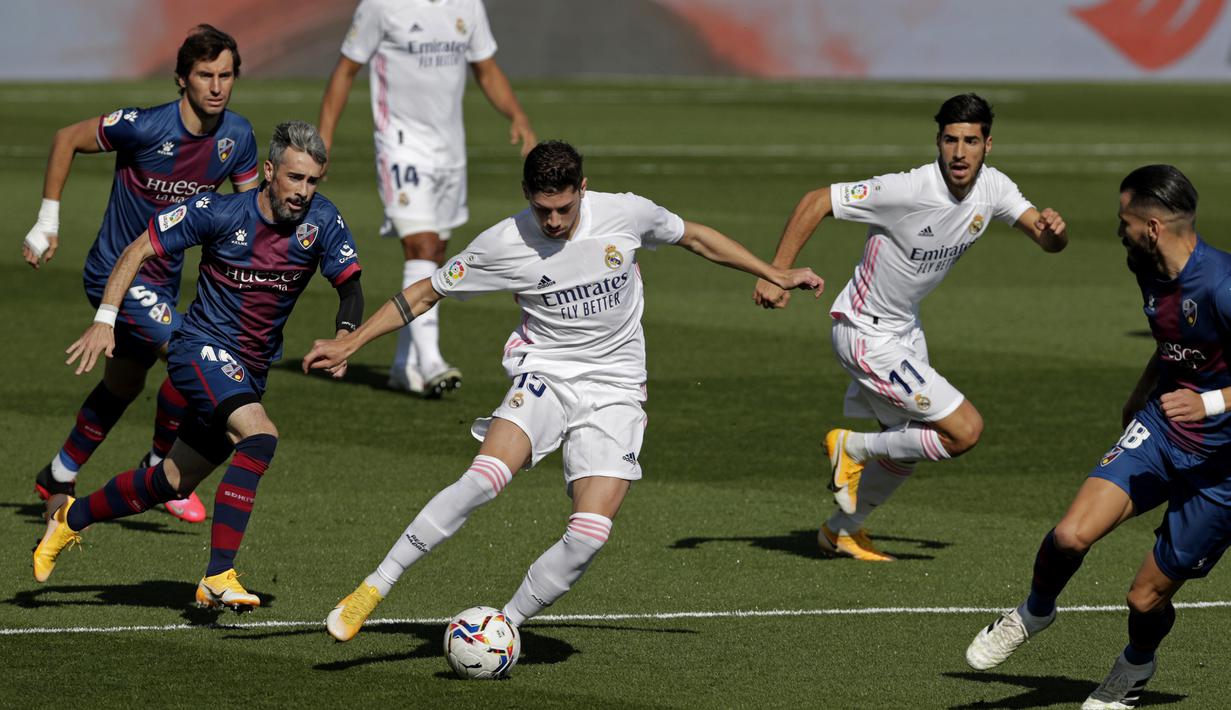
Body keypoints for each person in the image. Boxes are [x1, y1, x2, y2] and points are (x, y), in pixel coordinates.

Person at [304, 140, 822, 642]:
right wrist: (353, 343)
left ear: (583, 189)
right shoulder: (502, 243)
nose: (553, 221)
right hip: (546, 373)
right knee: (484, 478)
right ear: (527, 195)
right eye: (542, 209)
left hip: (617, 389)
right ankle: (374, 587)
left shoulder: (627, 214)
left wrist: (772, 271)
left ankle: (503, 626)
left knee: (590, 533)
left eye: (564, 208)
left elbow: (697, 238)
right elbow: (425, 292)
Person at [32, 121, 364, 611]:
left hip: (250, 368)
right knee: (260, 436)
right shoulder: (219, 211)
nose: (303, 192)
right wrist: (106, 319)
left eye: (313, 181)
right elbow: (137, 249)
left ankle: (70, 520)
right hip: (200, 348)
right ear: (270, 171)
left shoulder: (323, 222)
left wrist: (344, 336)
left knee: (170, 481)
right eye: (295, 178)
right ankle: (217, 576)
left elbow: (350, 287)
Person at [754, 93, 1068, 561]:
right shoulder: (905, 189)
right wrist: (776, 272)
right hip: (865, 332)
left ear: (988, 145)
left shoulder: (995, 189)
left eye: (970, 141)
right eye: (950, 140)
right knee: (964, 430)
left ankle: (840, 530)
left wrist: (1054, 232)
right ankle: (852, 447)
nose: (959, 152)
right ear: (938, 141)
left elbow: (1046, 240)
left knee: (907, 449)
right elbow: (816, 201)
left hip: (904, 331)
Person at [966, 165, 1231, 709]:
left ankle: (1134, 667)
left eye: (1124, 221)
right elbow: (1175, 342)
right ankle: (1035, 611)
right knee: (1069, 536)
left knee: (1143, 599)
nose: (1118, 230)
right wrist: (1142, 393)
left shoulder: (1224, 286)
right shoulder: (1149, 267)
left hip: (1221, 470)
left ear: (1153, 227)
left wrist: (1208, 402)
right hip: (1162, 428)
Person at [22, 25, 260, 524]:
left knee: (124, 385)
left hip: (164, 283)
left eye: (226, 75)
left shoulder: (237, 137)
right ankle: (160, 467)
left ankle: (59, 474)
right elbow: (66, 138)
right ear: (181, 79)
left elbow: (250, 214)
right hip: (116, 274)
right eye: (204, 75)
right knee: (187, 351)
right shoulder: (144, 126)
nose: (216, 86)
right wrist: (47, 223)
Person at [318, 0, 537, 398]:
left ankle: (404, 366)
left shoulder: (468, 6)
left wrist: (517, 115)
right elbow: (346, 70)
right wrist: (325, 139)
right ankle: (432, 360)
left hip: (449, 150)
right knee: (419, 245)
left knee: (434, 253)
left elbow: (485, 68)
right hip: (400, 145)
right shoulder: (381, 7)